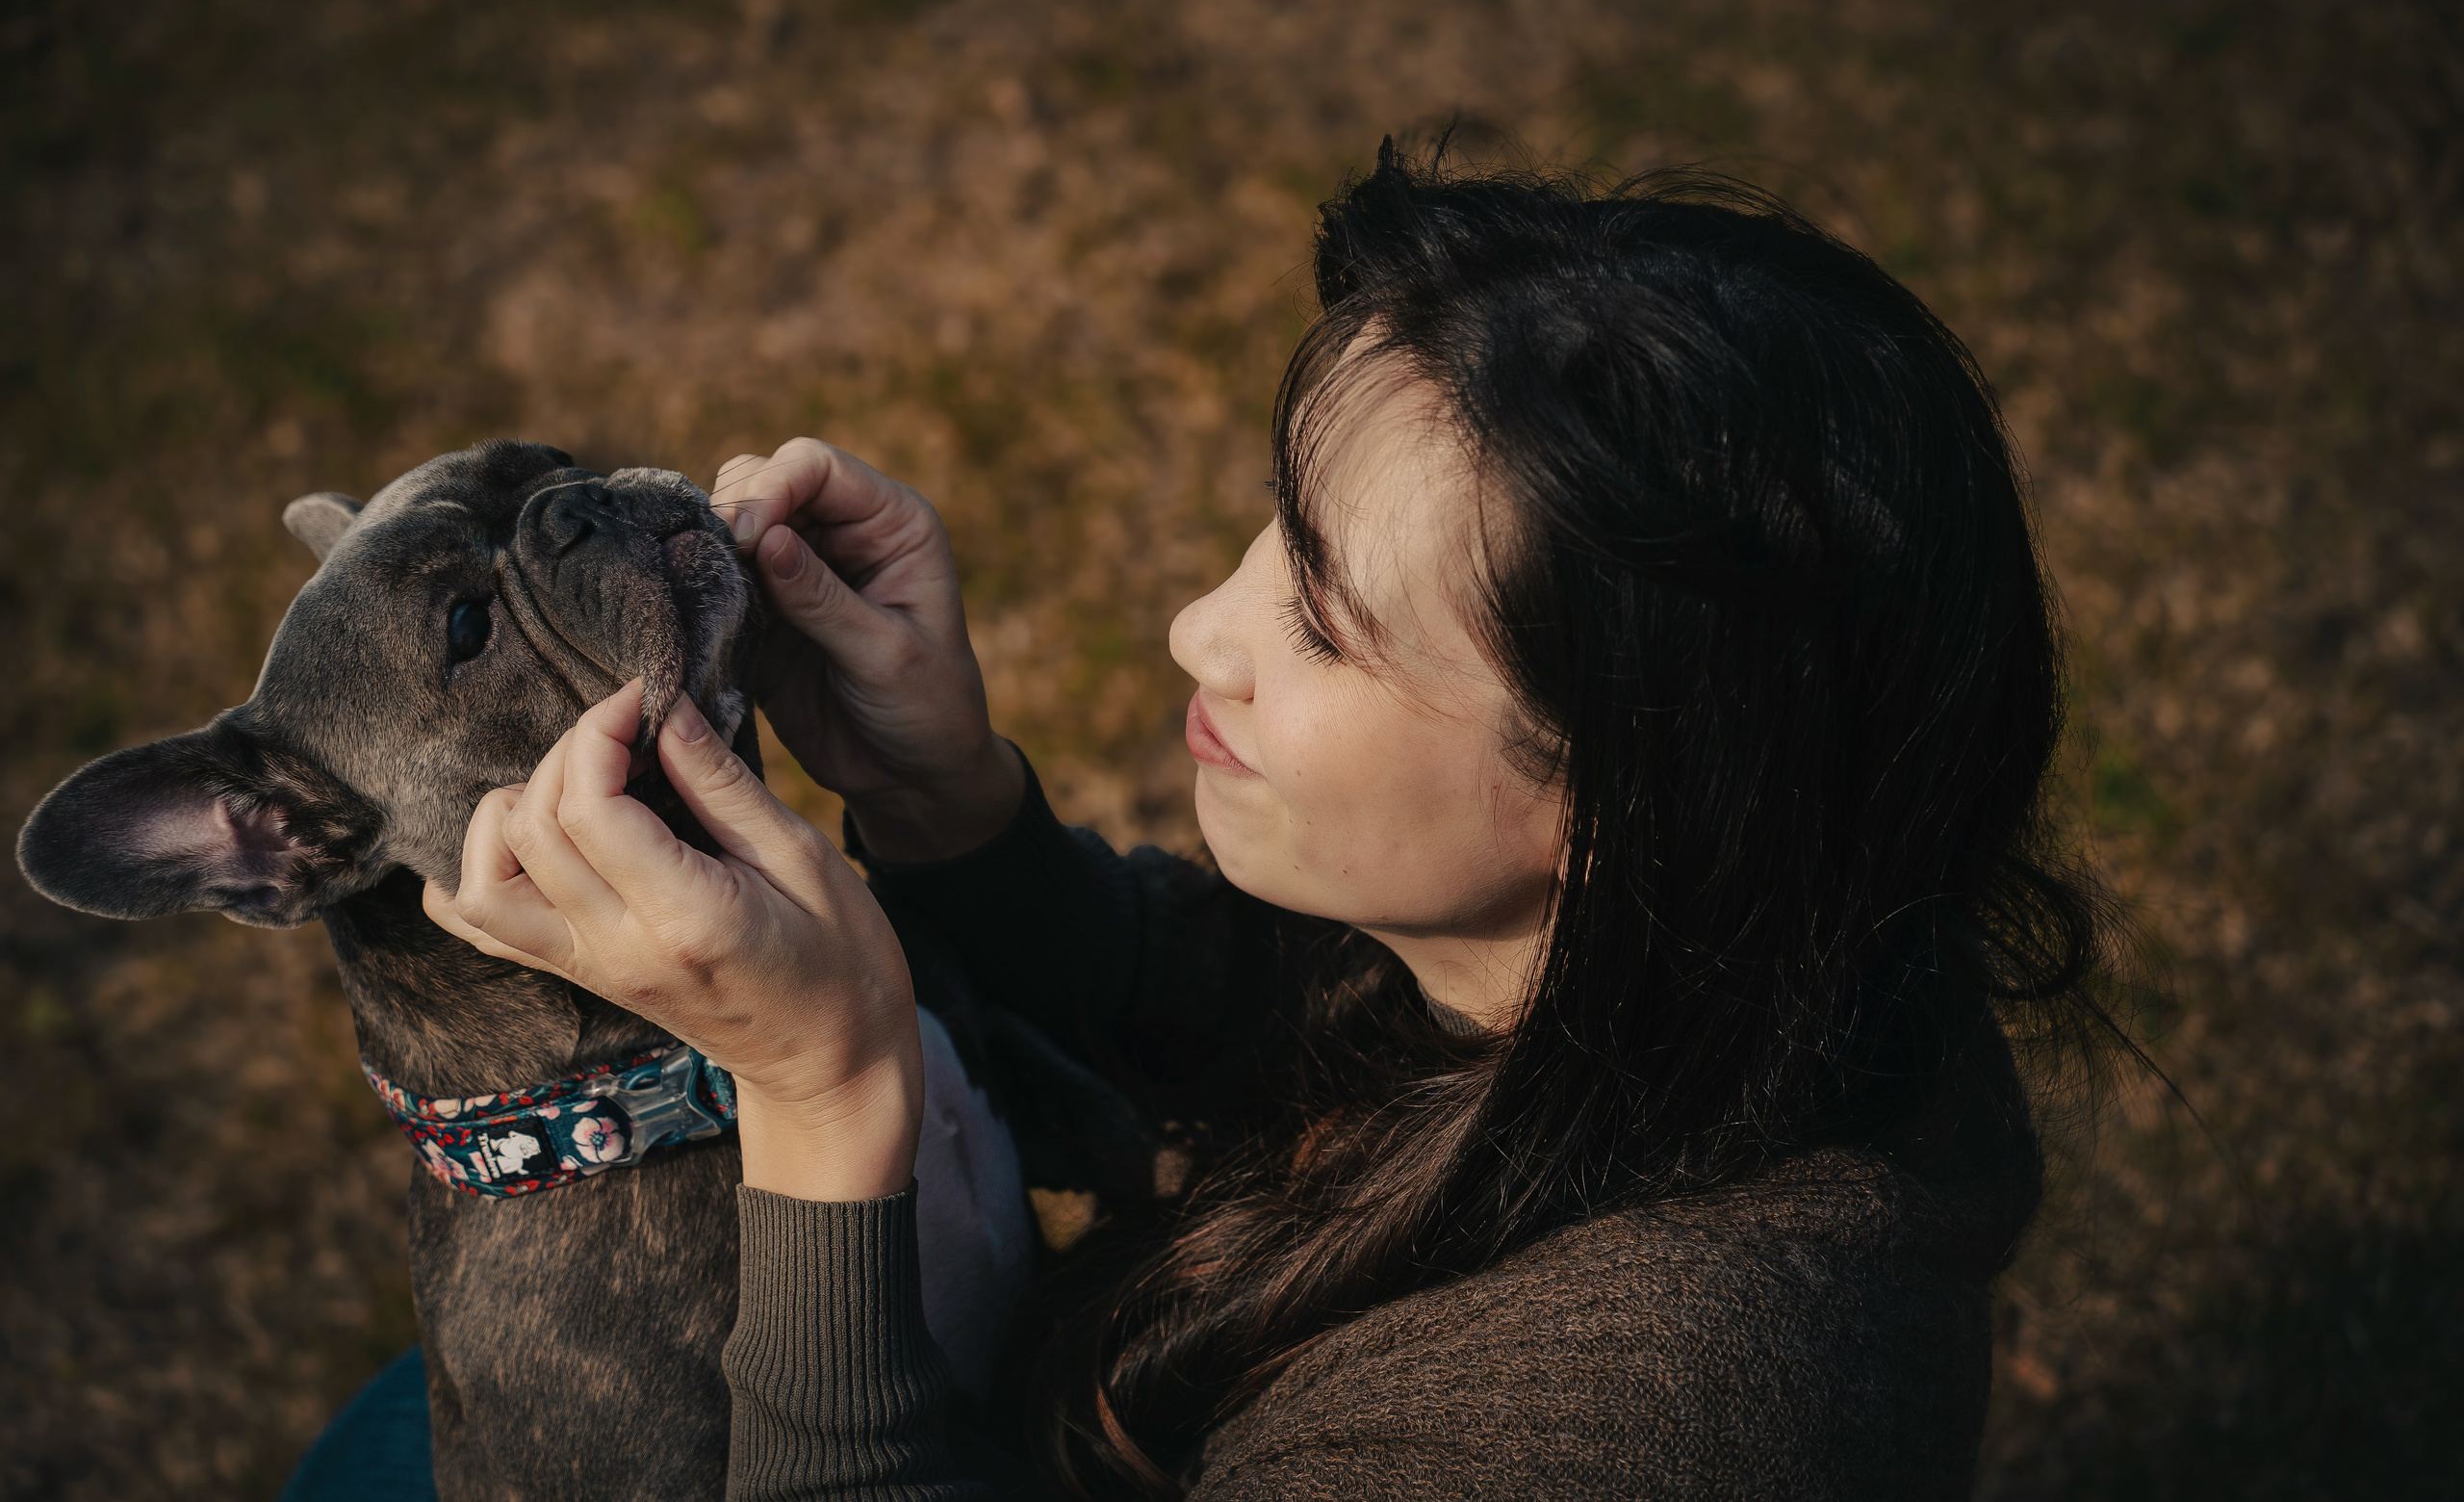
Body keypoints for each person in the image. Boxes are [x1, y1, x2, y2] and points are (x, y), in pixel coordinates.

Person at [383, 145, 2101, 1500]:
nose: (1204, 628)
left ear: (1620, 810)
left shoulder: (1631, 1428)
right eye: (1279, 535)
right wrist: (946, 806)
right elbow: (1296, 1035)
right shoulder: (1724, 971)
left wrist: (826, 1098)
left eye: (1330, 618)